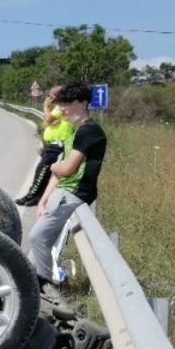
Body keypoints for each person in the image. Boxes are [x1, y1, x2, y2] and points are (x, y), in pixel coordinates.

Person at [27, 83, 107, 296]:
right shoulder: (74, 129)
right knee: (38, 243)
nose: (62, 109)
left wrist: (50, 164)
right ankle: (31, 286)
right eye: (60, 104)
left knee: (37, 237)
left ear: (83, 103)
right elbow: (59, 172)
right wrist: (43, 201)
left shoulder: (90, 131)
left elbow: (66, 167)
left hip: (75, 193)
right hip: (62, 192)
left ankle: (44, 288)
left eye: (67, 104)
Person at [15, 85, 73, 206]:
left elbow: (48, 119)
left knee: (41, 170)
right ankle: (37, 196)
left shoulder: (61, 107)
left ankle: (31, 195)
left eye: (50, 95)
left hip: (57, 144)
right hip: (52, 145)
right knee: (45, 172)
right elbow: (45, 123)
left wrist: (46, 106)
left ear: (56, 97)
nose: (48, 98)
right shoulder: (59, 108)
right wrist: (49, 119)